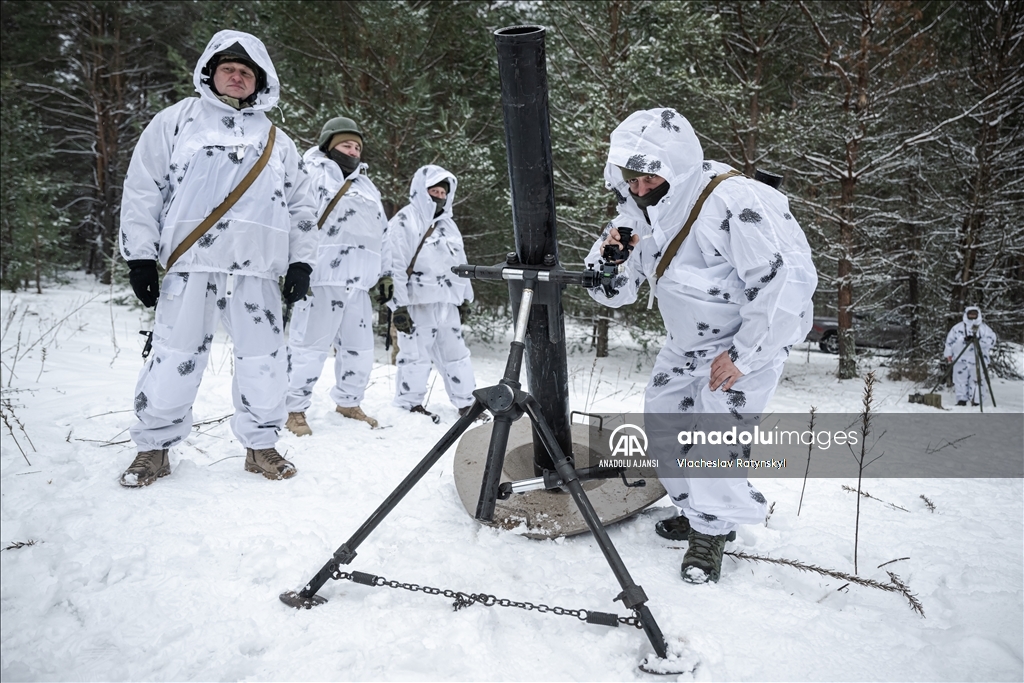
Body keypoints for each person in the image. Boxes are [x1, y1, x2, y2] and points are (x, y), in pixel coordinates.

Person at [585, 108, 817, 583]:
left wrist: (744, 357)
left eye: (651, 176)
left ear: (676, 166)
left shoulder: (733, 201)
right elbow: (613, 292)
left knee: (715, 437)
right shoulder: (635, 215)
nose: (640, 187)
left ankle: (711, 533)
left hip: (743, 345)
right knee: (663, 425)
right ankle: (698, 512)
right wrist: (610, 263)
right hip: (685, 343)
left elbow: (784, 280)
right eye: (631, 175)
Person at [118, 30, 317, 487]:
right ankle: (153, 448)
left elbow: (302, 206)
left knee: (264, 358)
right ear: (210, 71)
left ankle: (261, 446)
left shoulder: (276, 140)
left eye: (246, 71)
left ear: (259, 82)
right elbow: (143, 187)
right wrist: (141, 257)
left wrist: (301, 263)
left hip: (258, 269)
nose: (236, 76)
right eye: (228, 68)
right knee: (173, 354)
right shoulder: (176, 121)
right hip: (192, 265)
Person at [283, 116, 389, 435]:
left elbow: (382, 234)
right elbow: (295, 220)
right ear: (328, 145)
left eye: (357, 146)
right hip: (320, 277)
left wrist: (385, 274)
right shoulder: (310, 173)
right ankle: (293, 408)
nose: (353, 150)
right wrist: (291, 265)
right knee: (309, 347)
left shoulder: (367, 186)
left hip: (357, 283)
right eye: (346, 144)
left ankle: (348, 401)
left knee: (360, 350)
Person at [384, 165, 476, 422]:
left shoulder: (450, 226)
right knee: (415, 356)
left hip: (447, 303)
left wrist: (465, 299)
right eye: (433, 191)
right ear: (421, 191)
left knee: (457, 355)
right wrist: (398, 306)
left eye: (443, 192)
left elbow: (461, 265)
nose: (438, 196)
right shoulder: (404, 220)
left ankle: (467, 403)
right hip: (417, 302)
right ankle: (409, 405)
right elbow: (394, 266)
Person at [943, 306, 996, 406]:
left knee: (977, 380)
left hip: (977, 359)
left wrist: (979, 342)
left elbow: (992, 340)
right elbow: (949, 342)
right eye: (970, 314)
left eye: (974, 314)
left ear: (978, 315)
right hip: (960, 358)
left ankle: (976, 400)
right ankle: (961, 400)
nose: (972, 316)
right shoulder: (957, 328)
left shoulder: (984, 328)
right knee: (960, 380)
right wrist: (949, 354)